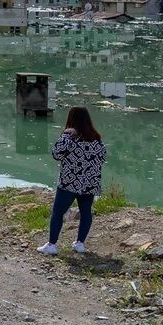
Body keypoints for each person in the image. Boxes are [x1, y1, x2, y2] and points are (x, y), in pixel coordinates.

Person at [39, 106, 107, 255]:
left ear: (71, 119)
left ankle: (52, 245)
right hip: (89, 183)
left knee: (58, 213)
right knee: (86, 212)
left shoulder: (70, 138)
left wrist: (65, 135)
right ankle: (80, 243)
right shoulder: (96, 139)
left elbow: (56, 154)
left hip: (69, 182)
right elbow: (102, 158)